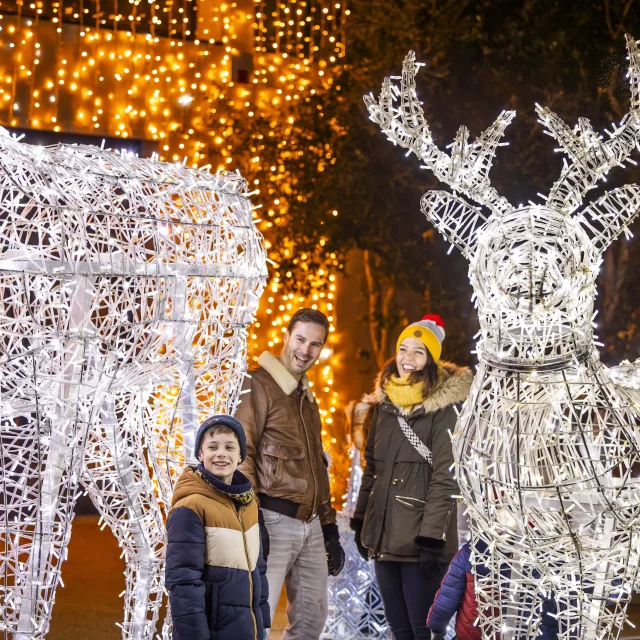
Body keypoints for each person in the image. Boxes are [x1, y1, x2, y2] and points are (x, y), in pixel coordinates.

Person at [350, 314, 473, 640]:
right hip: (385, 539)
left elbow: (446, 478)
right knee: (399, 629)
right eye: (403, 349)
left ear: (431, 359)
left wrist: (432, 540)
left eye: (418, 351)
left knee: (424, 630)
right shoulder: (385, 406)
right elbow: (372, 467)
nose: (408, 358)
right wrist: (362, 518)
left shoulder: (444, 409)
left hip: (421, 543)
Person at [235, 308, 345, 640]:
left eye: (315, 344)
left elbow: (317, 467)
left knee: (312, 621)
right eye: (300, 339)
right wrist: (253, 521)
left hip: (310, 524)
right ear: (286, 337)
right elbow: (243, 454)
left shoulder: (307, 399)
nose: (305, 350)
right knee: (256, 622)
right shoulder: (257, 384)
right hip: (272, 519)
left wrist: (329, 529)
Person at [165, 415, 270, 640]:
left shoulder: (249, 505)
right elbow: (183, 582)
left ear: (240, 455)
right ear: (201, 454)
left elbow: (258, 569)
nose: (221, 453)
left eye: (230, 447)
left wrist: (264, 622)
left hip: (248, 630)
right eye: (212, 447)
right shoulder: (191, 507)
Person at [427, 538, 559, 640]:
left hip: (475, 633)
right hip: (521, 634)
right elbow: (550, 612)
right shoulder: (545, 559)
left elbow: (447, 598)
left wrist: (437, 629)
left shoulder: (471, 552)